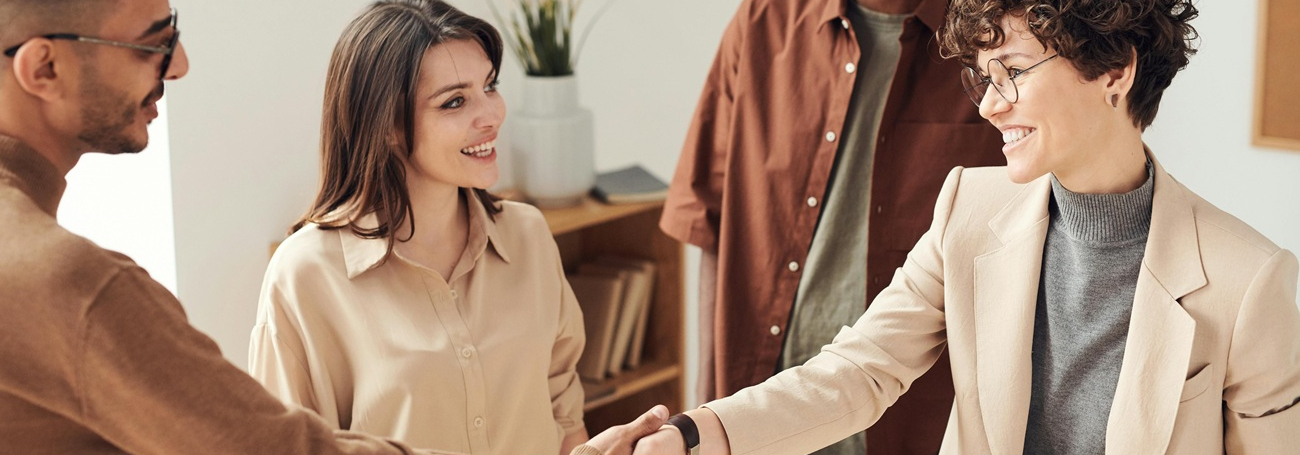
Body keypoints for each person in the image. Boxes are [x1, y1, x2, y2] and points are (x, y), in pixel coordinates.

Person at [0, 0, 659, 453]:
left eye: (489, 87)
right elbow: (272, 445)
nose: (180, 65)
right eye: (152, 42)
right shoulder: (78, 284)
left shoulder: (527, 237)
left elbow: (560, 402)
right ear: (42, 67)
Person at [628, 0, 1300, 453]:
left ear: (1115, 71)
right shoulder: (967, 210)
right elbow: (856, 371)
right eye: (984, 77)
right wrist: (692, 435)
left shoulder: (1247, 279)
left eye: (1014, 72)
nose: (989, 106)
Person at [658, 0, 1006, 452]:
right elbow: (711, 224)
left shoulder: (994, 38)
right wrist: (703, 411)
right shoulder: (763, 21)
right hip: (756, 414)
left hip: (914, 419)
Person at [247, 1, 588, 454]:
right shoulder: (305, 275)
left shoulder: (528, 236)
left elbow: (564, 417)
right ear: (387, 125)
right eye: (454, 101)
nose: (491, 115)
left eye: (490, 86)